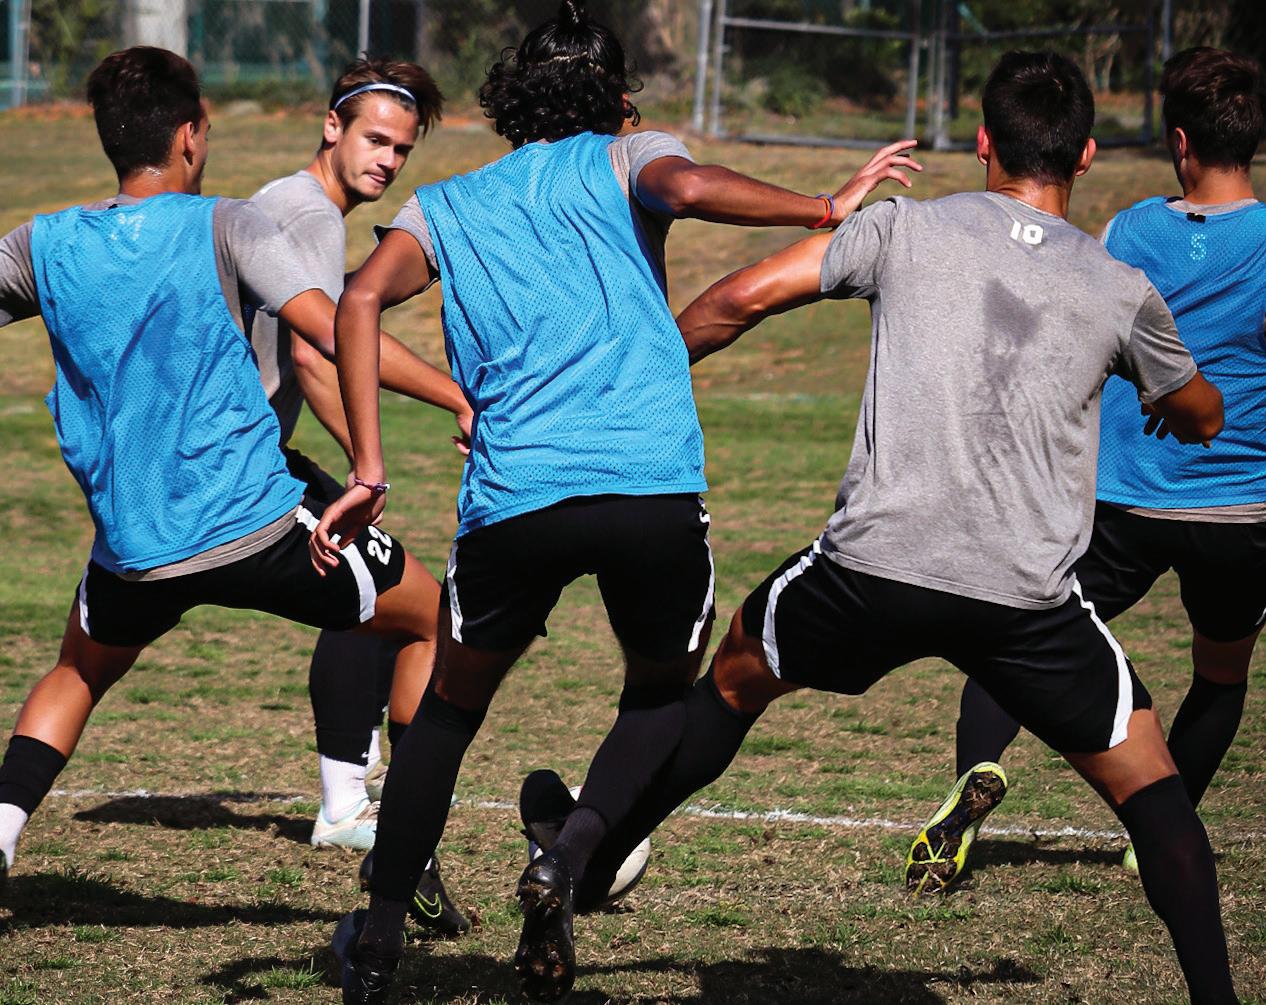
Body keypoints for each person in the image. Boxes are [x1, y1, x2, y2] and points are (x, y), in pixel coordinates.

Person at [556, 50, 1236, 1004]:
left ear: (984, 141)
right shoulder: (1119, 288)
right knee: (1155, 796)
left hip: (871, 570)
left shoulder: (903, 228)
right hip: (1024, 600)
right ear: (1086, 155)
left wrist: (626, 391)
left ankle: (590, 861)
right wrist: (1174, 400)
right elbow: (1203, 412)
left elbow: (739, 300)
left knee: (733, 680)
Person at [309, 3, 920, 1001]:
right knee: (661, 693)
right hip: (647, 485)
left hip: (515, 496)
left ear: (515, 96)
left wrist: (370, 466)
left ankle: (376, 944)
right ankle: (567, 856)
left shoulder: (444, 205)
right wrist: (822, 205)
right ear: (615, 97)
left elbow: (359, 300)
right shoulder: (631, 156)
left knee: (451, 710)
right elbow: (688, 185)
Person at [0, 46, 447, 949]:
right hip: (256, 523)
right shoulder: (226, 224)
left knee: (76, 671)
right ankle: (403, 853)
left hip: (134, 545)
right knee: (431, 621)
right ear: (192, 136)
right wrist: (387, 451)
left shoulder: (44, 241)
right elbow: (332, 332)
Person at [911, 45, 1266, 889]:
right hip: (1239, 507)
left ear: (1179, 142)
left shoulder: (1132, 230)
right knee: (1221, 674)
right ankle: (1159, 833)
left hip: (1118, 497)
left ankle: (975, 771)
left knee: (1010, 639)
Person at [246, 55, 471, 935]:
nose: (388, 160)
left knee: (371, 595)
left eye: (402, 150)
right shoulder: (305, 213)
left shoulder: (286, 202)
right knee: (426, 613)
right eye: (375, 139)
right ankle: (374, 819)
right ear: (331, 125)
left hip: (229, 461)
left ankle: (0, 832)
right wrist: (371, 460)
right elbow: (321, 347)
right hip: (249, 472)